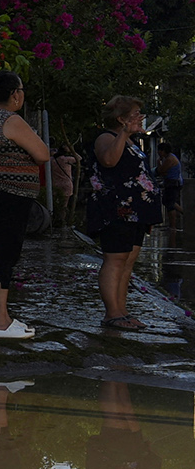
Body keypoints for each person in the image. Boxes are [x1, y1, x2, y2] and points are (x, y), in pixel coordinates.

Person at [0, 72, 50, 339]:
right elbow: (42, 154)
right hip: (11, 194)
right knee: (5, 253)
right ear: (14, 94)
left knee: (2, 250)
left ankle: (3, 316)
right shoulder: (11, 120)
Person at [85, 96, 162, 330]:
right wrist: (125, 134)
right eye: (135, 113)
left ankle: (122, 311)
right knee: (115, 260)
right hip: (117, 210)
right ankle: (112, 314)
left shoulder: (131, 142)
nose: (140, 117)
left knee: (127, 262)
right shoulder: (106, 138)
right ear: (120, 119)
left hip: (136, 211)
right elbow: (109, 160)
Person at [155, 144, 183, 250]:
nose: (158, 153)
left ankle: (173, 226)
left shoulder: (170, 159)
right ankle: (185, 212)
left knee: (170, 204)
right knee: (167, 201)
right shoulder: (169, 158)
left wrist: (158, 163)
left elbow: (161, 171)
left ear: (163, 151)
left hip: (173, 183)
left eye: (159, 151)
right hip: (171, 182)